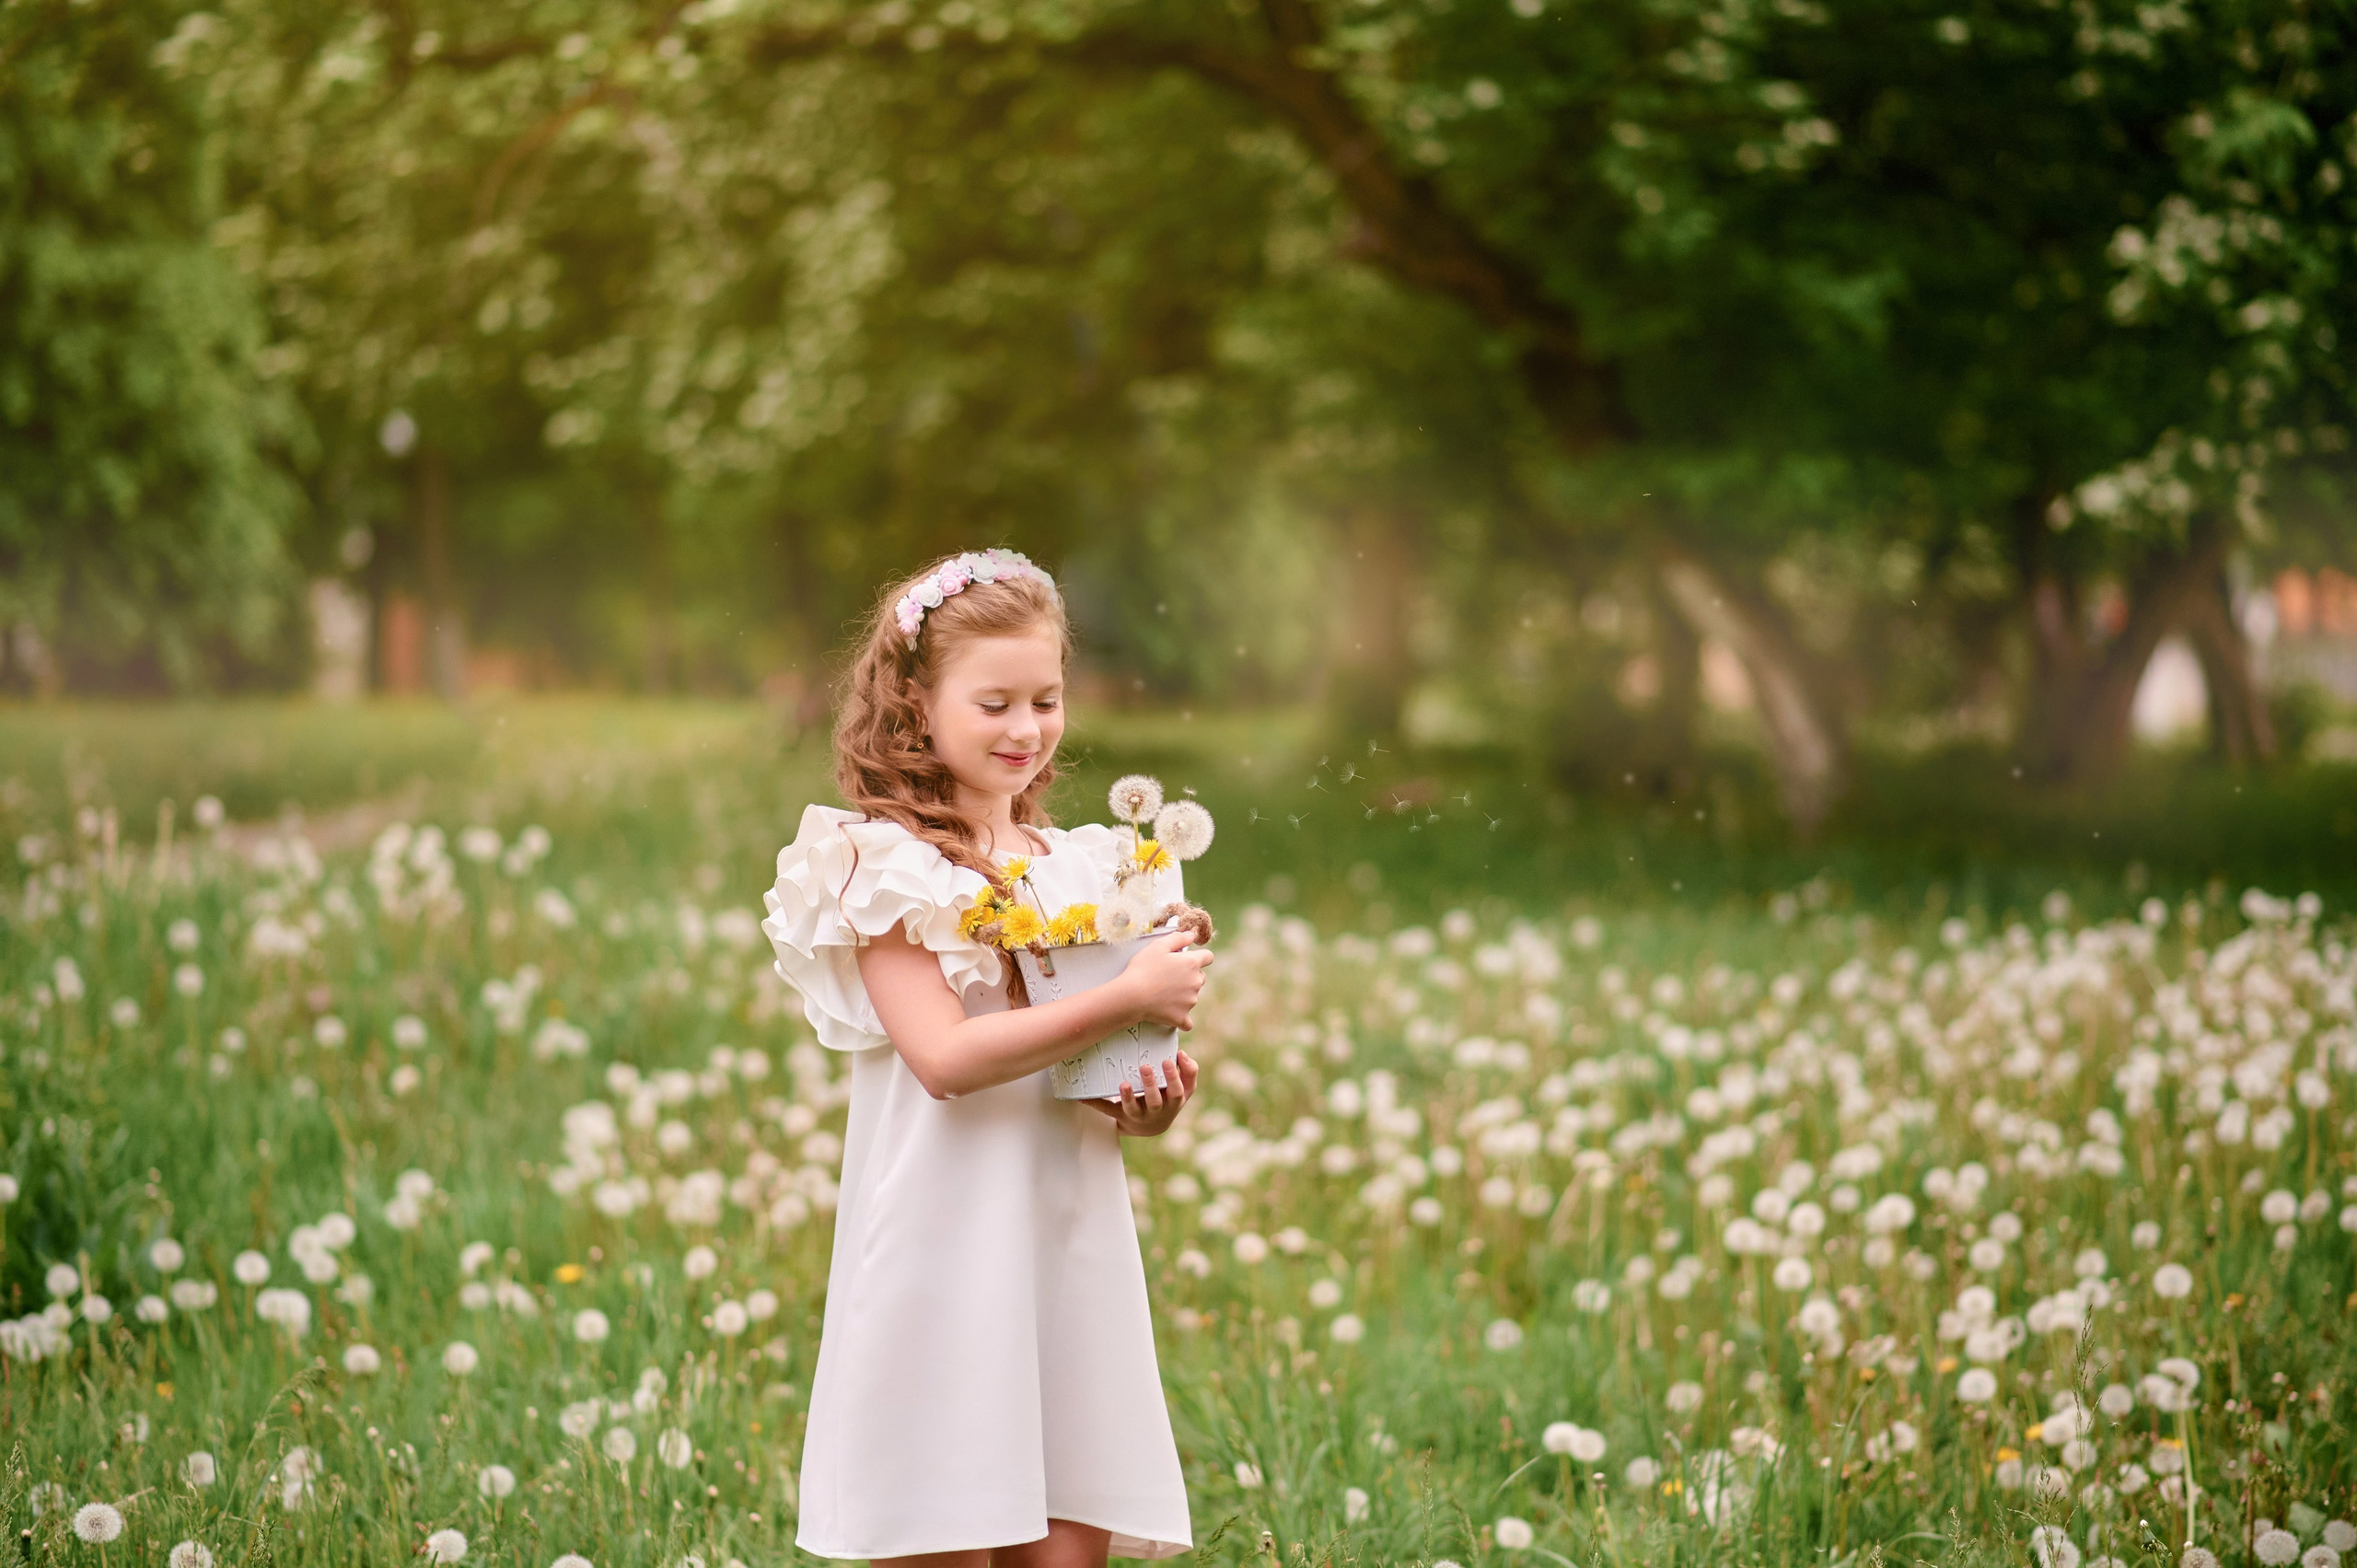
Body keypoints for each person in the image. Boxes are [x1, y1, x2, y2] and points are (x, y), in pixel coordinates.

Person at [761, 549, 1212, 1565]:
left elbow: (1088, 1077)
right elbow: (946, 1057)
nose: (1025, 728)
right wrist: (1126, 995)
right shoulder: (880, 864)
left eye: (1045, 699)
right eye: (994, 701)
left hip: (1065, 1245)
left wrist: (1144, 1094)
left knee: (1064, 1538)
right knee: (944, 1534)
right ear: (917, 705)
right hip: (943, 1249)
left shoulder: (1088, 867)